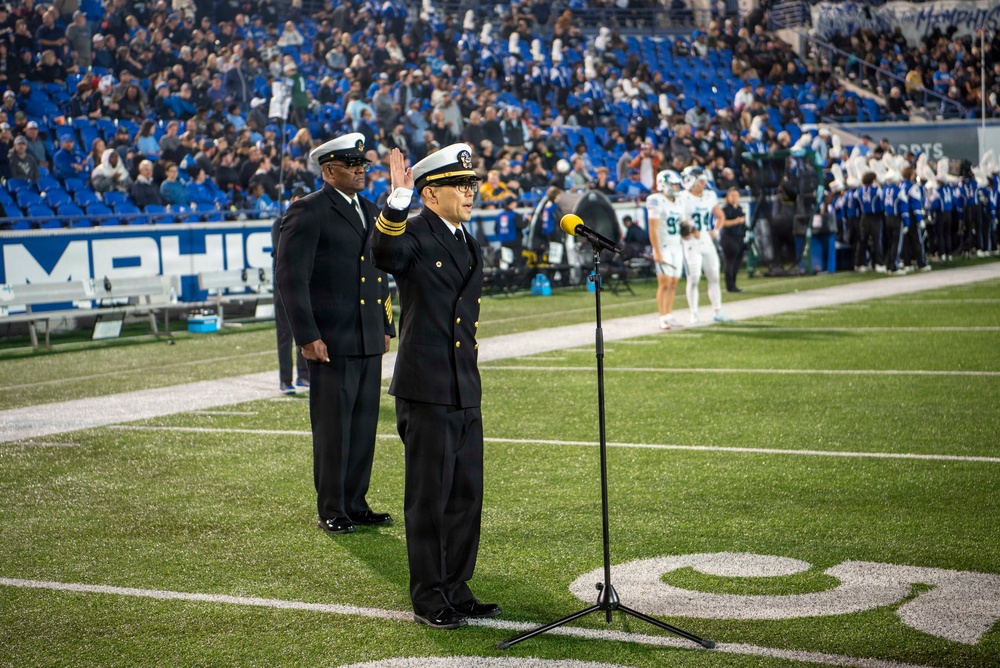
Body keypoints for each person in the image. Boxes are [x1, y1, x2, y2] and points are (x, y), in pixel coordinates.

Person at [371, 144, 501, 630]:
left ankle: (457, 585)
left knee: (466, 494)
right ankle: (429, 595)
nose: (469, 192)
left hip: (464, 384)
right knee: (430, 498)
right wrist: (395, 202)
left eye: (471, 185)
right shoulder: (416, 232)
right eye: (459, 186)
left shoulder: (465, 238)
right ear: (430, 193)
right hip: (426, 387)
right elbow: (383, 253)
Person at [274, 132, 395, 537]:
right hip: (329, 340)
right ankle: (331, 507)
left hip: (365, 337)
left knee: (362, 425)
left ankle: (356, 502)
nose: (362, 171)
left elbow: (380, 273)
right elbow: (291, 280)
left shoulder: (371, 208)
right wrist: (307, 336)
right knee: (332, 428)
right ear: (329, 170)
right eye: (353, 165)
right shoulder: (307, 211)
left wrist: (386, 324)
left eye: (363, 165)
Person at [271, 186, 310, 394]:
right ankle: (285, 379)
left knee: (304, 330)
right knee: (285, 334)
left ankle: (304, 375)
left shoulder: (310, 224)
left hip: (304, 284)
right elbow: (283, 252)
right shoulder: (280, 223)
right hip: (283, 286)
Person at [679, 167, 729, 323]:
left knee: (714, 275)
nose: (702, 184)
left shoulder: (709, 196)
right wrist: (691, 229)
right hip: (690, 242)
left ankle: (718, 311)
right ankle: (693, 313)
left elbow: (720, 215)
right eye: (700, 181)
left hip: (706, 240)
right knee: (694, 277)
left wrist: (716, 230)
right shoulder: (683, 197)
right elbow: (680, 221)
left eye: (703, 181)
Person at [646, 170, 686, 329]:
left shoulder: (678, 201)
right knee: (664, 283)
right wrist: (657, 251)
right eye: (673, 184)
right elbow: (653, 229)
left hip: (676, 245)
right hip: (663, 246)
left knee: (674, 282)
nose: (676, 188)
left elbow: (681, 224)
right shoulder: (656, 201)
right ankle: (662, 316)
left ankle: (669, 314)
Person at [718, 187, 747, 293]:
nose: (734, 198)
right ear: (728, 197)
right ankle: (730, 286)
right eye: (732, 195)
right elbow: (723, 223)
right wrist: (736, 221)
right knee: (729, 262)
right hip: (728, 237)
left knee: (737, 263)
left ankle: (734, 284)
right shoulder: (725, 209)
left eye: (736, 195)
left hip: (739, 237)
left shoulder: (739, 208)